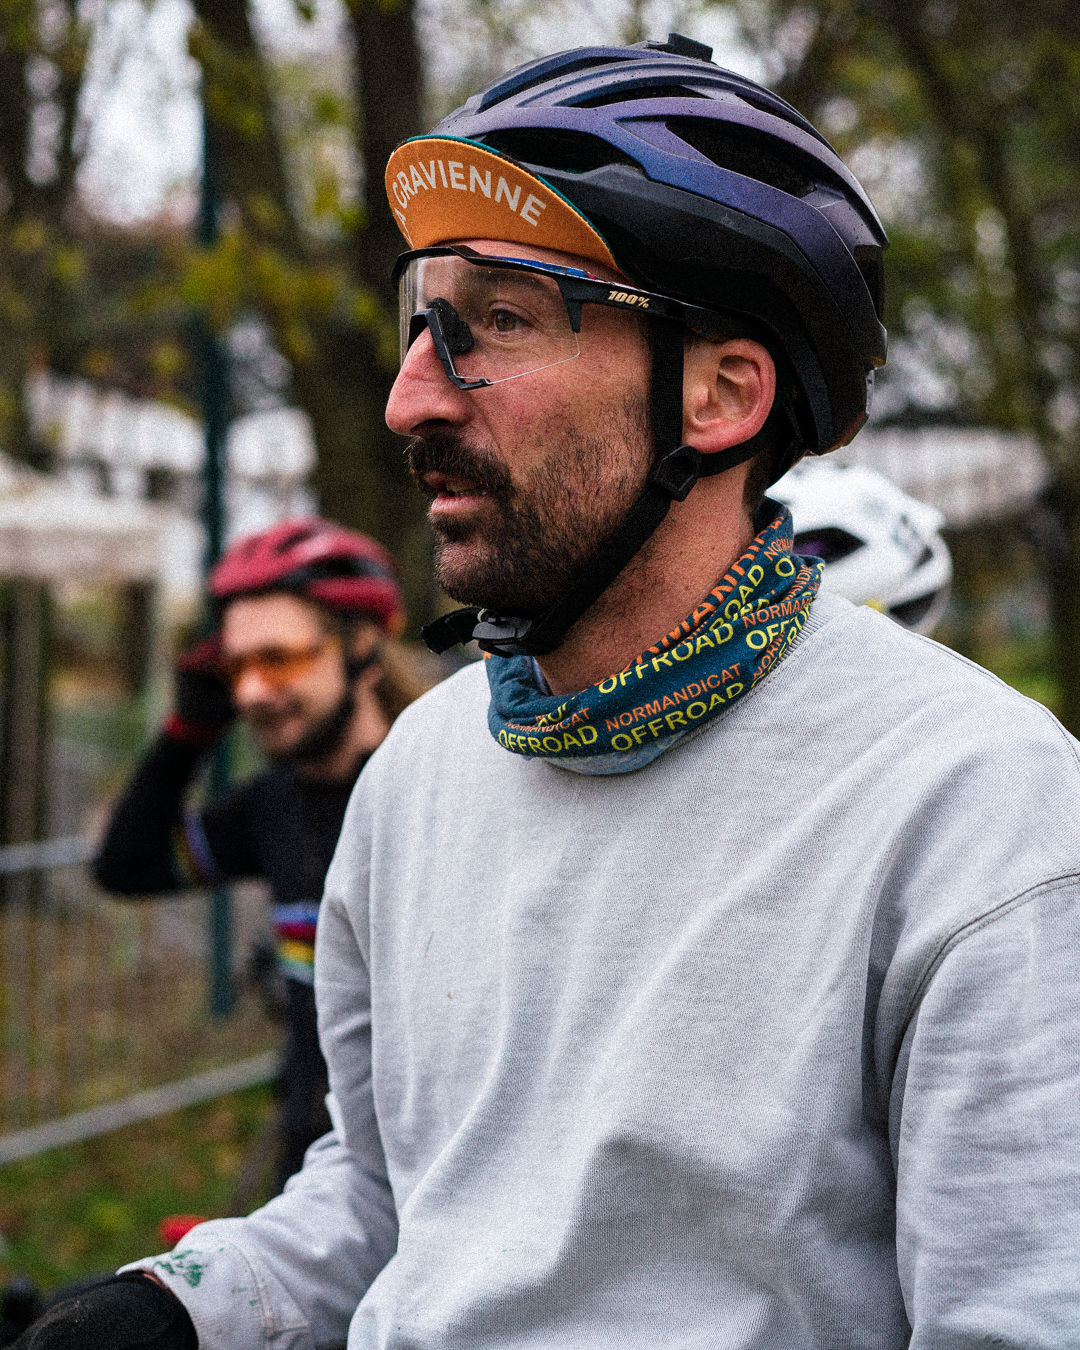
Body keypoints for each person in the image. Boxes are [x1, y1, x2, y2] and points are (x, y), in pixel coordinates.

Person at [18, 36, 1080, 1350]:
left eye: (500, 322)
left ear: (720, 392)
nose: (410, 397)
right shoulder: (421, 770)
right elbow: (387, 1192)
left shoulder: (975, 803)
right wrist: (176, 1310)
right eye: (423, 322)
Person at [92, 516, 427, 1191]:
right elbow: (126, 865)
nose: (249, 692)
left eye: (277, 658)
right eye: (235, 666)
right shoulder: (272, 805)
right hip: (310, 1181)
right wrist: (186, 733)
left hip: (422, 1186)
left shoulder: (430, 791)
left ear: (363, 647)